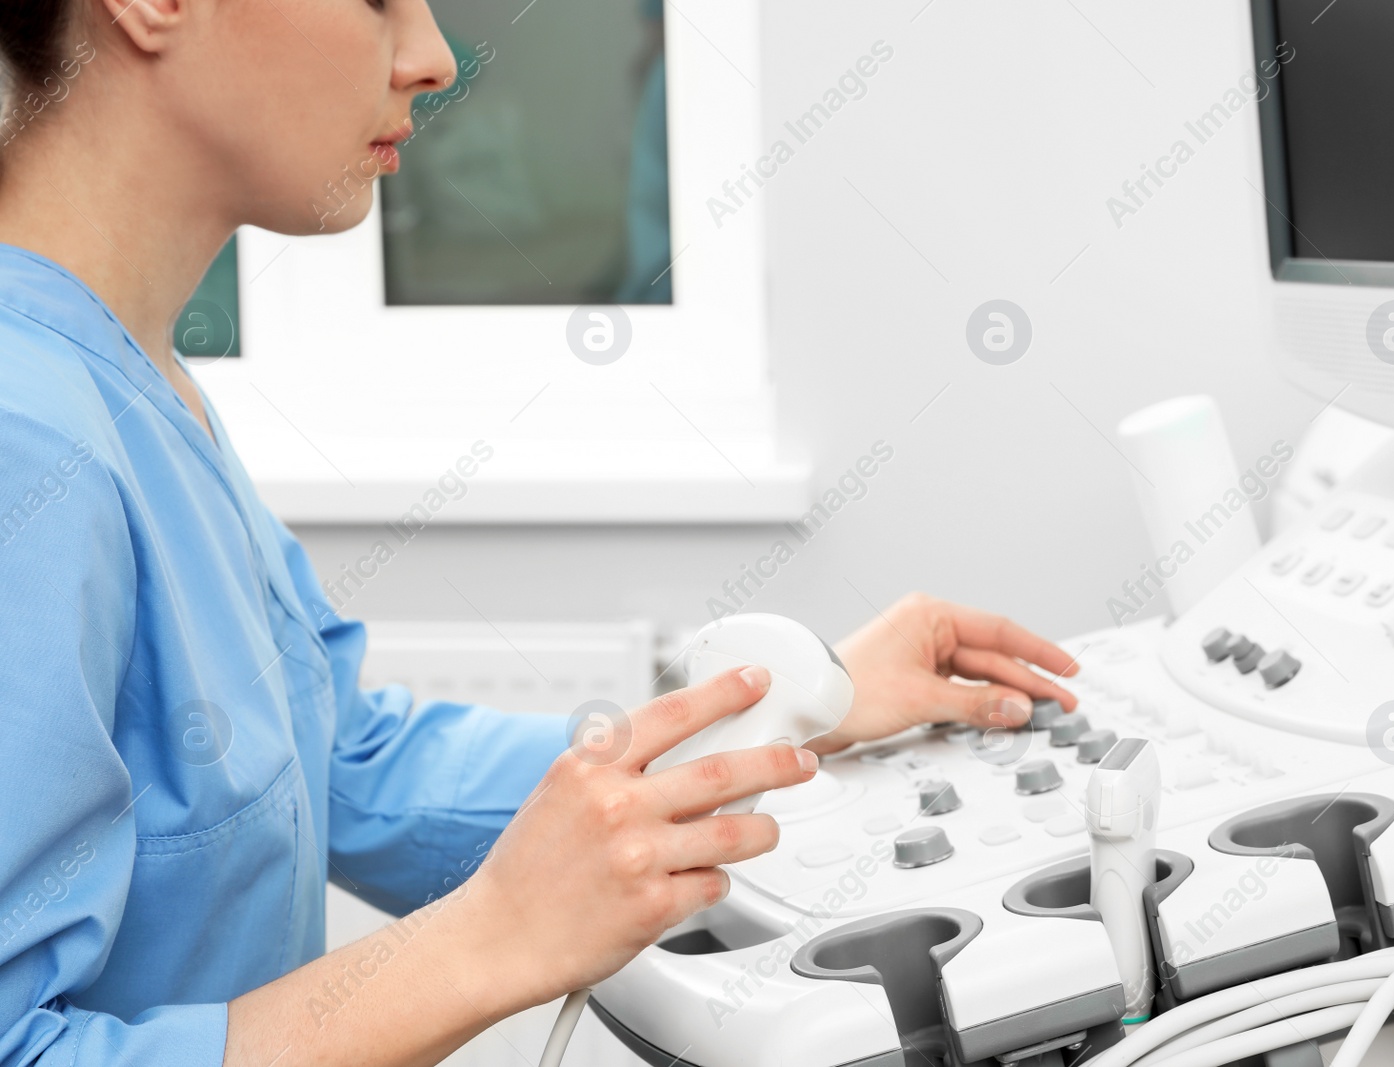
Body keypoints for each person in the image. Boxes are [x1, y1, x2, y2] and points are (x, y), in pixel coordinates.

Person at [0, 2, 1080, 1065]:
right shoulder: (24, 434)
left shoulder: (128, 375)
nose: (430, 58)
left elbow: (336, 761)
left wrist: (791, 709)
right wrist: (488, 941)